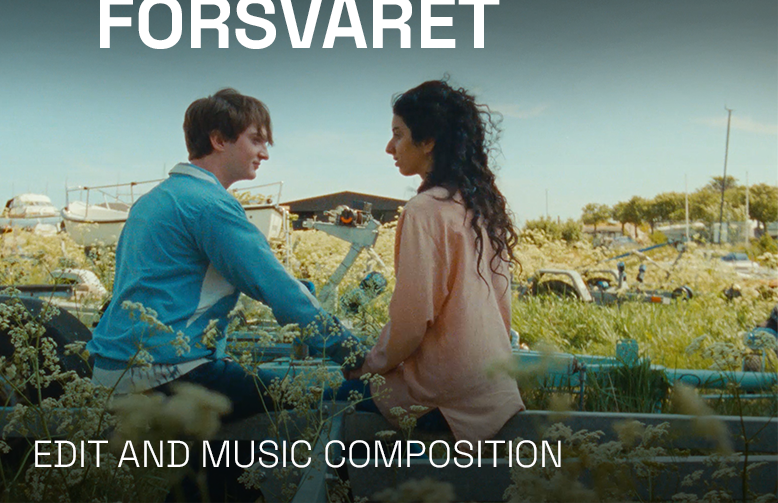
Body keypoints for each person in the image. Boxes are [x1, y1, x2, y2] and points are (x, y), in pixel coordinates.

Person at [87, 88, 365, 421]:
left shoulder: (154, 199)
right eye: (256, 140)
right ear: (219, 140)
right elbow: (277, 289)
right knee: (330, 400)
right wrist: (352, 355)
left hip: (111, 369)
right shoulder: (210, 205)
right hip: (167, 373)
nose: (264, 153)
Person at [347, 79, 525, 445]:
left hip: (444, 397)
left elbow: (412, 323)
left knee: (329, 404)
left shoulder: (424, 210)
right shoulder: (481, 206)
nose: (389, 147)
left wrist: (367, 365)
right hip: (493, 389)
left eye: (398, 134)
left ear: (427, 142)